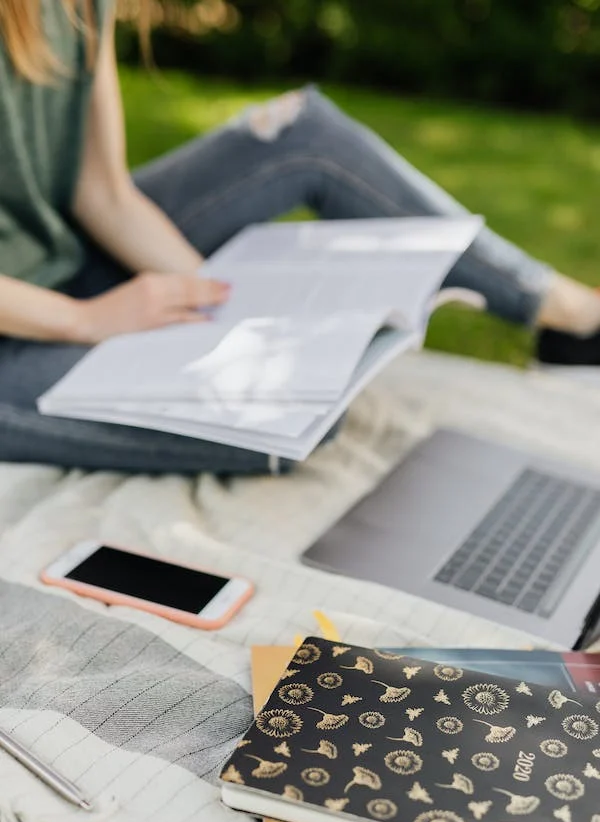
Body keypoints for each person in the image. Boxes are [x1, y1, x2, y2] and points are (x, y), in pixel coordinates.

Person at [0, 1, 598, 475]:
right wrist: (82, 320)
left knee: (301, 134)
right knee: (286, 419)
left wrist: (226, 303)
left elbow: (101, 193)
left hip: (57, 263)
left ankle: (577, 322)